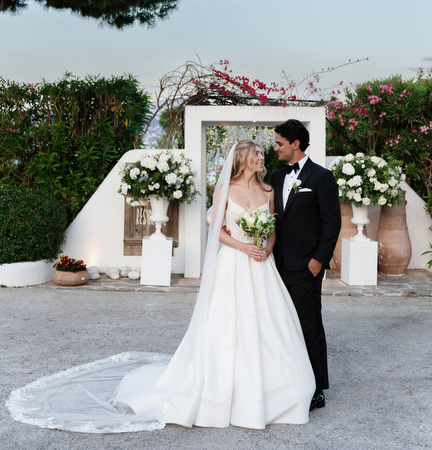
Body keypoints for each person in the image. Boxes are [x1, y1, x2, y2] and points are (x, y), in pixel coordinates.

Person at [6, 140, 315, 432]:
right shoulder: (226, 189)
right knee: (227, 323)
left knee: (268, 323)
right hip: (234, 263)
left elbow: (273, 228)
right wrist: (243, 246)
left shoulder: (267, 189)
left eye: (262, 153)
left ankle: (272, 387)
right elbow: (218, 233)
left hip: (261, 265)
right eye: (257, 154)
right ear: (242, 159)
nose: (262, 158)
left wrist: (266, 247)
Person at [272, 119, 341, 411]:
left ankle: (316, 389)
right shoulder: (276, 177)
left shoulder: (321, 177)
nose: (275, 148)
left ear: (295, 144)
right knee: (281, 325)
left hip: (306, 266)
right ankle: (288, 381)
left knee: (309, 325)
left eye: (279, 143)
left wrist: (318, 261)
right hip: (277, 266)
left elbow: (332, 223)